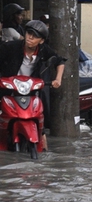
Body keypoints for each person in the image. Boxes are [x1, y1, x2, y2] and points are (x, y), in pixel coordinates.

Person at [0, 20, 66, 149]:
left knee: (41, 112)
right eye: (29, 33)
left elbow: (60, 61)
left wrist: (58, 79)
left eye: (35, 36)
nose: (30, 37)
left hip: (29, 89)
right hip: (7, 87)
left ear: (41, 41)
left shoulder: (44, 50)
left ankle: (42, 139)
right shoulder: (10, 47)